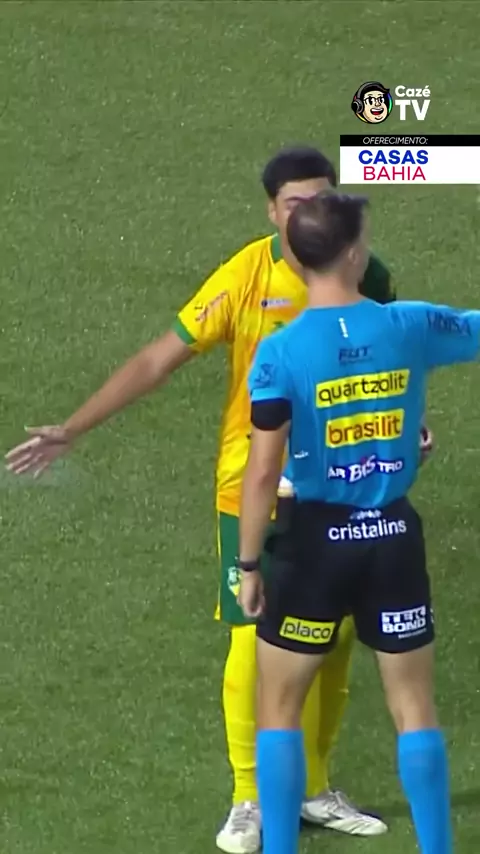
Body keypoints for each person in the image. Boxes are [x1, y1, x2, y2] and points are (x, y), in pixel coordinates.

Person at [7, 148, 405, 852]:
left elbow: (385, 360)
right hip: (254, 486)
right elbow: (159, 358)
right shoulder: (245, 277)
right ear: (272, 210)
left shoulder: (365, 273)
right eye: (295, 203)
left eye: (322, 200)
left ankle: (312, 788)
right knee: (256, 635)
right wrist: (74, 427)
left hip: (345, 483)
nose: (309, 215)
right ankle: (250, 797)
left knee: (337, 636)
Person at [236, 190, 472, 854]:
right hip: (393, 539)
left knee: (279, 711)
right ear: (352, 253)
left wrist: (249, 564)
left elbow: (262, 472)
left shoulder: (279, 354)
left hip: (314, 544)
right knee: (414, 710)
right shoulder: (410, 324)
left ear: (295, 255)